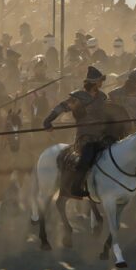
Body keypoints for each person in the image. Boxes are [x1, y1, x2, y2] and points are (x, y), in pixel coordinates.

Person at [43, 66, 110, 198]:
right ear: (93, 82)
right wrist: (48, 120)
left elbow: (108, 113)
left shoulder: (102, 97)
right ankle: (76, 186)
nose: (102, 84)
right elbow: (61, 107)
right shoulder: (79, 97)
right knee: (88, 155)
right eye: (99, 81)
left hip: (102, 136)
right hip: (85, 138)